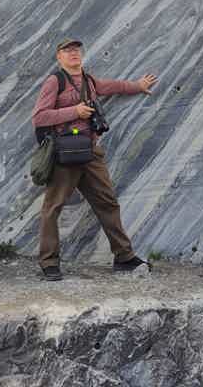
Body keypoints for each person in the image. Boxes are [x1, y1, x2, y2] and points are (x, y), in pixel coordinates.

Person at [31, 37, 158, 281]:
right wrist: (74, 111)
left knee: (107, 202)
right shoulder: (54, 81)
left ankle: (124, 257)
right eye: (67, 51)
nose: (73, 53)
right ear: (59, 57)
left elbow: (112, 86)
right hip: (64, 154)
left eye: (76, 49)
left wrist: (137, 85)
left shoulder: (88, 80)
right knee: (53, 207)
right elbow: (39, 118)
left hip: (90, 153)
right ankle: (49, 262)